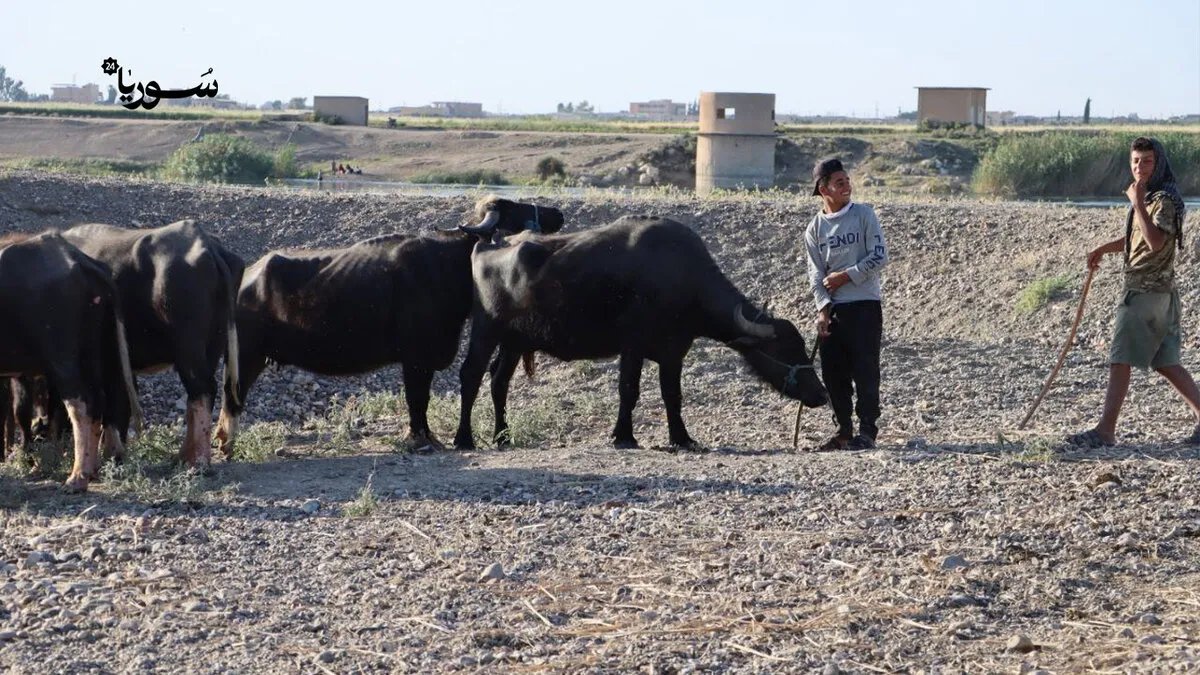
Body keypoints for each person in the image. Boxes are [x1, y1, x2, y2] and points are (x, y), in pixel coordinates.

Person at [1068, 137, 1197, 447]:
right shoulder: (1152, 197)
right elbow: (1138, 239)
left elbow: (1156, 243)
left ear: (1159, 163)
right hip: (1160, 295)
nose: (1140, 167)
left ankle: (1105, 430)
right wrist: (1105, 248)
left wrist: (1137, 201)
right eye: (1136, 161)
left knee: (1120, 359)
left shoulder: (1162, 200)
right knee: (1166, 362)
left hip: (1145, 293)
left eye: (1147, 161)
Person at [803, 158, 889, 450]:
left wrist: (846, 277)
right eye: (839, 183)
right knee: (833, 373)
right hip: (834, 311)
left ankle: (867, 431)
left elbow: (879, 257)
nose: (847, 186)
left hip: (864, 306)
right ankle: (843, 431)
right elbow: (816, 274)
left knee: (865, 370)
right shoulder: (814, 229)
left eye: (847, 181)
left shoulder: (864, 215)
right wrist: (823, 309)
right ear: (823, 189)